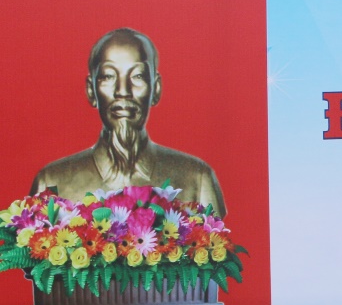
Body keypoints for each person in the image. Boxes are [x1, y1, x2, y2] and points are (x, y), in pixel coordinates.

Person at [32, 28, 225, 212]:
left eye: (138, 76)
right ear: (91, 90)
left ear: (156, 89)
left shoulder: (197, 179)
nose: (123, 91)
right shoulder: (51, 183)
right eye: (108, 76)